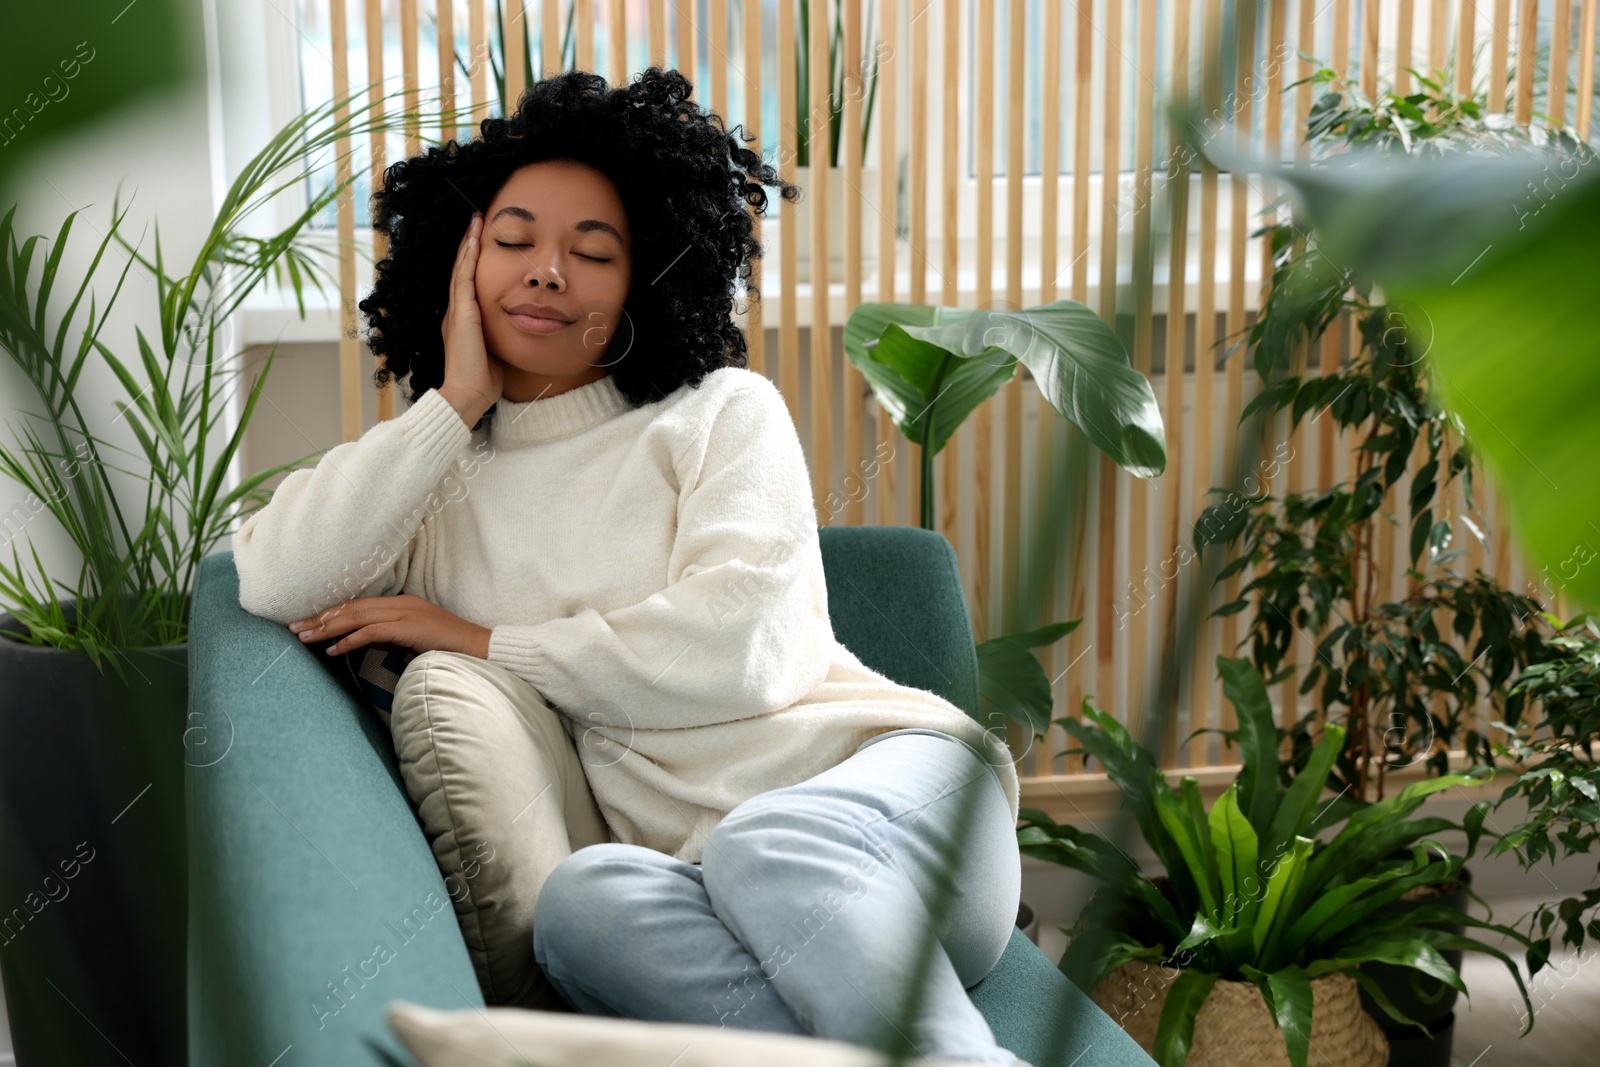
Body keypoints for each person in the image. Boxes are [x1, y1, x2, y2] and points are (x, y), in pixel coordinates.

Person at [234, 67, 1028, 1066]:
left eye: (592, 251)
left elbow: (739, 643)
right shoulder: (437, 479)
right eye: (512, 241)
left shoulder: (720, 412)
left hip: (898, 809)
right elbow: (274, 575)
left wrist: (483, 641)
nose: (547, 271)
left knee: (765, 842)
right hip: (709, 884)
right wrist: (453, 401)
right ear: (455, 265)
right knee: (579, 906)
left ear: (647, 276)